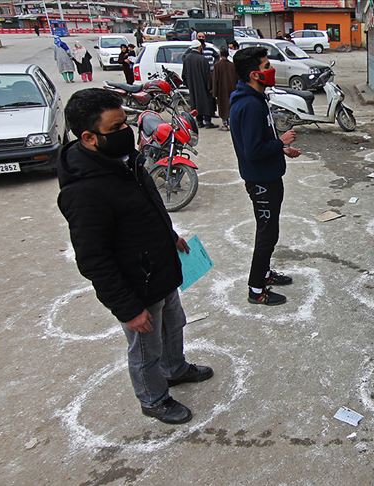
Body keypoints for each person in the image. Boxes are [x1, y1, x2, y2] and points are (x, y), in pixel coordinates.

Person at [57, 88, 214, 425]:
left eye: (124, 124)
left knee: (174, 325)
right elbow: (93, 260)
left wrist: (170, 236)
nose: (126, 133)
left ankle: (175, 369)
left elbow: (146, 210)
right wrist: (128, 309)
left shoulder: (125, 162)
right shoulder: (84, 192)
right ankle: (153, 399)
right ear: (88, 137)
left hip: (161, 269)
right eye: (115, 129)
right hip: (137, 286)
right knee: (145, 348)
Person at [229, 47, 302, 305]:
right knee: (267, 235)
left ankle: (265, 273)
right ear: (254, 74)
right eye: (266, 66)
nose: (271, 70)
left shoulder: (257, 98)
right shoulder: (249, 105)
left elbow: (261, 141)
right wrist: (280, 141)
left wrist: (281, 149)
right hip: (261, 181)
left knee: (270, 231)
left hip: (269, 175)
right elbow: (253, 150)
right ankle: (256, 288)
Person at [183, 37, 217, 129]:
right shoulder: (203, 59)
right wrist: (210, 86)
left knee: (195, 103)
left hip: (192, 85)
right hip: (203, 85)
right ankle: (208, 122)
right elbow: (207, 75)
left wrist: (188, 84)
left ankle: (199, 121)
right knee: (206, 102)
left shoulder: (187, 59)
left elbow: (184, 74)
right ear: (199, 47)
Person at [212, 47, 237, 131]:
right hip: (232, 89)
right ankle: (232, 123)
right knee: (231, 106)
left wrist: (214, 92)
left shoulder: (217, 66)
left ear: (220, 55)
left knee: (223, 107)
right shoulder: (232, 65)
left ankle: (225, 124)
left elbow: (215, 79)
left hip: (221, 90)